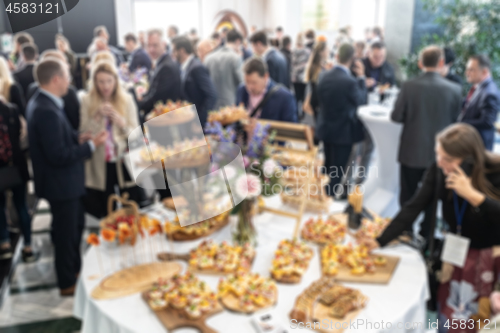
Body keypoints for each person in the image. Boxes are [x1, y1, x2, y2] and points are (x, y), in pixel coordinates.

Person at [361, 123, 500, 332]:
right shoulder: (438, 170)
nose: (441, 163)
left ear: (469, 160)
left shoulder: (495, 173)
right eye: (438, 155)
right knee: (447, 315)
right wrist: (380, 239)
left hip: (486, 258)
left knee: (476, 318)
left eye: (449, 160)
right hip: (454, 255)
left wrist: (473, 195)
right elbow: (414, 206)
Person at [27, 58, 107, 295]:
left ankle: (72, 271)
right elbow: (58, 155)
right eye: (66, 76)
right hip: (61, 184)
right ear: (55, 79)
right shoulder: (45, 109)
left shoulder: (44, 102)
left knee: (73, 228)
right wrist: (91, 146)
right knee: (66, 234)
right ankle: (67, 283)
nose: (69, 81)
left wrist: (77, 137)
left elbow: (58, 138)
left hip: (59, 183)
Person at [391, 45, 462, 240]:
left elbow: (396, 117)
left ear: (420, 63)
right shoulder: (455, 89)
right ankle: (427, 234)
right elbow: (457, 123)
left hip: (411, 149)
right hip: (440, 155)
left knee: (408, 194)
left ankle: (406, 232)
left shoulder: (408, 86)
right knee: (433, 196)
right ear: (441, 62)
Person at [80, 61, 140, 218]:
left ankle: (131, 236)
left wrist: (122, 123)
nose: (105, 86)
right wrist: (97, 117)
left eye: (109, 81)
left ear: (116, 80)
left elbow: (136, 135)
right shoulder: (87, 100)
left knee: (130, 206)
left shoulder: (126, 99)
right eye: (100, 81)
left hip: (123, 161)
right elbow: (83, 133)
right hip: (100, 163)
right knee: (106, 209)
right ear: (94, 82)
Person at [316, 43, 366, 197]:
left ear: (337, 56)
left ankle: (320, 196)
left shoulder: (323, 75)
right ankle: (327, 199)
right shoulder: (350, 82)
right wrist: (362, 78)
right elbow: (362, 102)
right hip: (343, 132)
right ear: (352, 59)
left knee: (326, 167)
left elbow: (316, 100)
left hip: (326, 128)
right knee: (337, 171)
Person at [0, 100, 35, 262]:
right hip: (16, 165)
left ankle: (5, 244)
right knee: (21, 205)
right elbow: (21, 134)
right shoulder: (11, 110)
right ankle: (28, 247)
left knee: (0, 208)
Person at [26, 49, 81, 130]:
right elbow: (75, 123)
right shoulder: (69, 92)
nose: (68, 65)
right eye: (64, 63)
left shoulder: (32, 89)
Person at [172, 36, 217, 126]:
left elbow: (211, 95)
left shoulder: (196, 68)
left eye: (174, 51)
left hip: (197, 122)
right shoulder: (185, 67)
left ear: (182, 50)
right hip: (189, 121)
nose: (172, 54)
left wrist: (199, 121)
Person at [137, 29, 181, 120]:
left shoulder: (166, 67)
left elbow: (157, 99)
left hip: (166, 120)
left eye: (155, 45)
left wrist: (138, 105)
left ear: (163, 44)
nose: (151, 49)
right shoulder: (161, 63)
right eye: (148, 45)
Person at [236, 57, 296, 122]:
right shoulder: (241, 89)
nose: (250, 87)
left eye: (254, 82)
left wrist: (259, 127)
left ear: (265, 76)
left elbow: (291, 127)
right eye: (247, 82)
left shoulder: (285, 97)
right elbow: (236, 122)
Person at [459, 54, 500, 151]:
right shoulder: (478, 88)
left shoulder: (489, 92)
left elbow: (487, 122)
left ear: (484, 71)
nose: (466, 73)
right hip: (472, 145)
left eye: (471, 69)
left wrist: (460, 123)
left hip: (479, 148)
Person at [204, 29, 243, 109]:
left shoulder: (208, 58)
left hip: (211, 105)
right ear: (238, 41)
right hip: (230, 106)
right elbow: (242, 82)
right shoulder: (235, 58)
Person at [303, 42, 330, 126]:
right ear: (322, 52)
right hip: (317, 103)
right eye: (327, 49)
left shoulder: (314, 66)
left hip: (314, 102)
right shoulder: (319, 69)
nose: (328, 51)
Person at [291, 33, 311, 119]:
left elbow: (292, 64)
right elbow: (308, 65)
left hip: (295, 76)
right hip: (303, 77)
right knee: (303, 95)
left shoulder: (293, 51)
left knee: (296, 95)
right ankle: (302, 113)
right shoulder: (307, 51)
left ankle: (296, 111)